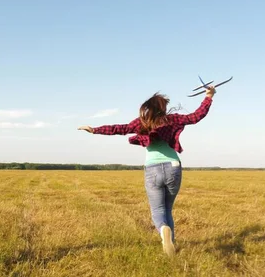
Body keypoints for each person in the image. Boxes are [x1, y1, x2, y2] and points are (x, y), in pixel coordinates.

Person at [78, 86, 216, 256]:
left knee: (158, 211)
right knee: (167, 209)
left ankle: (164, 231)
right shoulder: (172, 119)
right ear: (162, 108)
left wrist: (94, 130)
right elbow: (196, 116)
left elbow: (119, 128)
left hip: (152, 169)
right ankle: (170, 244)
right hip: (173, 167)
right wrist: (209, 96)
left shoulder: (142, 122)